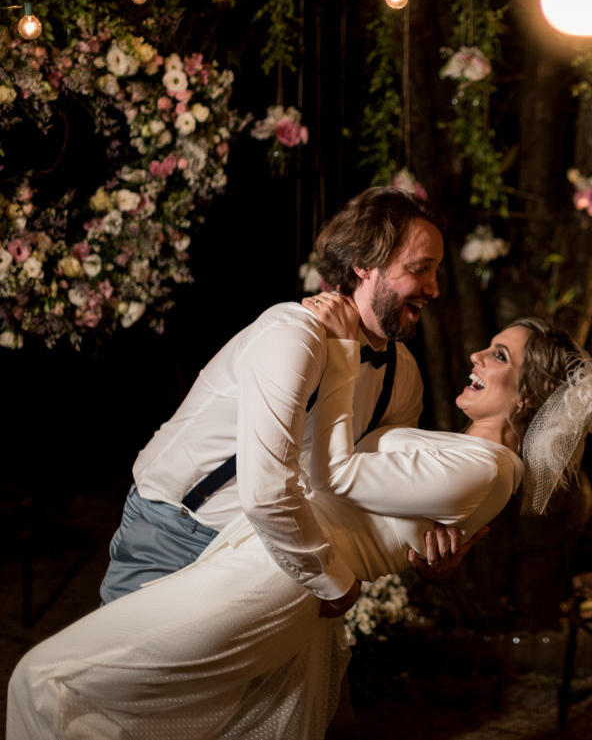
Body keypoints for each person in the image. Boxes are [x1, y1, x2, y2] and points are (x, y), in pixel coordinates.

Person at [8, 305, 592, 739]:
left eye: (500, 355)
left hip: (274, 576)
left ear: (528, 396)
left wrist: (344, 352)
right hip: (273, 562)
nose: (477, 355)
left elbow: (336, 476)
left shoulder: (486, 469)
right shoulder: (469, 453)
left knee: (44, 679)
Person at [99, 186, 468, 615]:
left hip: (268, 554)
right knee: (121, 658)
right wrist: (334, 584)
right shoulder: (294, 336)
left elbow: (384, 488)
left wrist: (426, 552)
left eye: (436, 271)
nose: (433, 288)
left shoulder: (402, 375)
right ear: (364, 264)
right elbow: (266, 492)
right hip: (180, 531)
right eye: (420, 269)